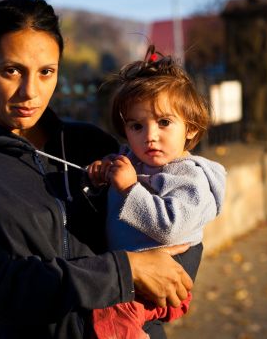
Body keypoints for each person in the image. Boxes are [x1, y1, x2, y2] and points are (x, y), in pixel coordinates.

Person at [0, 0, 193, 339]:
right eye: (11, 70)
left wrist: (167, 283)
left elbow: (176, 230)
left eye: (46, 72)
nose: (30, 92)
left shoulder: (94, 145)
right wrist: (126, 271)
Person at [85, 48, 226, 339]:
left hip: (169, 277)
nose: (150, 135)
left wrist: (129, 188)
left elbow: (171, 229)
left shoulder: (189, 176)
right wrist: (102, 176)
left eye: (164, 122)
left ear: (191, 127)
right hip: (135, 273)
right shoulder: (132, 160)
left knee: (109, 315)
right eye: (137, 125)